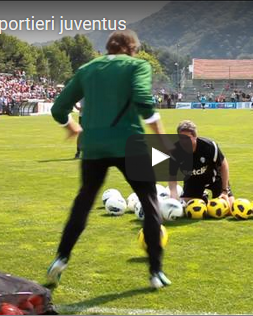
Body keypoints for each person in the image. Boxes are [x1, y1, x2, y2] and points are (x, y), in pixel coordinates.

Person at [47, 29, 171, 289]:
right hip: (130, 143)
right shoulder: (138, 65)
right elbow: (143, 99)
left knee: (83, 202)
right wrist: (160, 137)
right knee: (150, 204)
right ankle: (155, 271)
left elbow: (59, 108)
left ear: (109, 48)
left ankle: (61, 258)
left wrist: (70, 126)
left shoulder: (88, 69)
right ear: (132, 49)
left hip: (93, 146)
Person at [168, 120, 235, 208]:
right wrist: (173, 193)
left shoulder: (209, 146)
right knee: (187, 207)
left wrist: (224, 191)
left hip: (215, 179)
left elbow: (224, 165)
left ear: (195, 136)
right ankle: (203, 197)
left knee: (228, 207)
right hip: (193, 181)